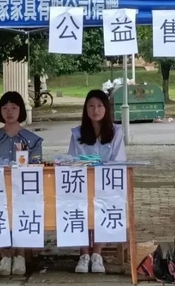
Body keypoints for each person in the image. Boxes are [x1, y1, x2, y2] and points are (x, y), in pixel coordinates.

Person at [0, 91, 43, 277]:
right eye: (5, 108)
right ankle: (5, 255)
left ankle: (21, 255)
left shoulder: (33, 140)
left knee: (24, 210)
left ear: (21, 110)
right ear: (0, 112)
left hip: (25, 190)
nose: (9, 112)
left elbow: (37, 165)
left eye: (14, 108)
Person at [67, 89, 127, 274]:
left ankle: (97, 254)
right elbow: (71, 161)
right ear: (85, 109)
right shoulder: (77, 133)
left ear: (106, 108)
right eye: (91, 106)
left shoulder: (116, 132)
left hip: (107, 183)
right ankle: (84, 254)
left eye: (100, 106)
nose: (95, 110)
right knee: (78, 207)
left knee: (105, 205)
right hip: (82, 183)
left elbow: (119, 160)